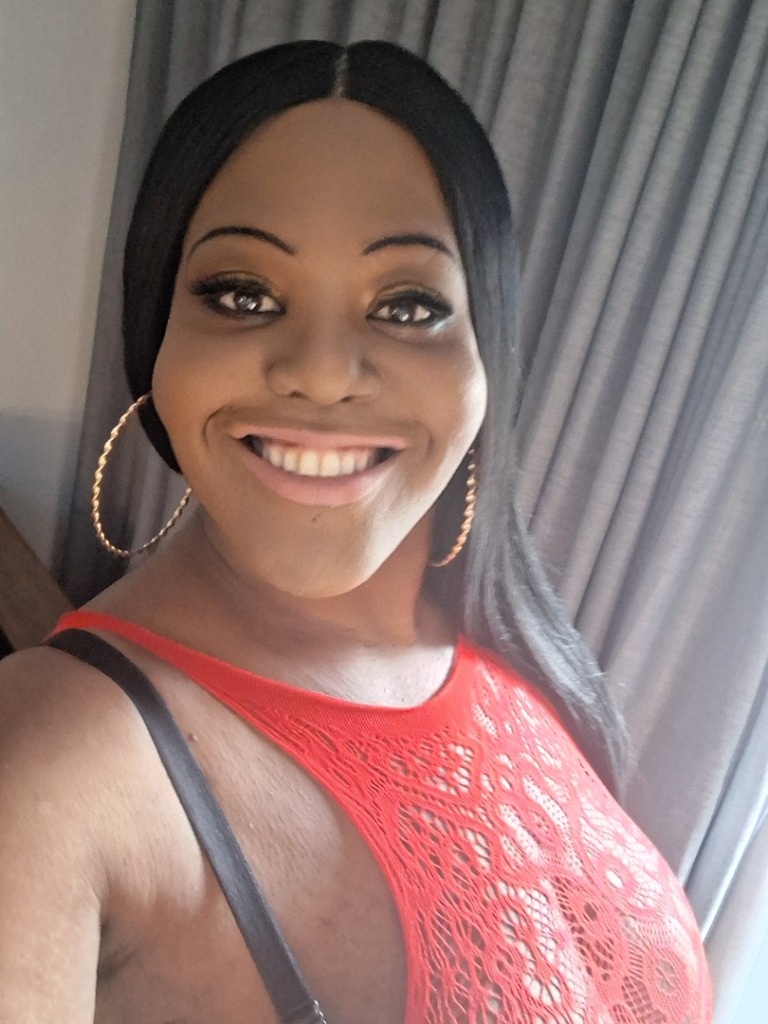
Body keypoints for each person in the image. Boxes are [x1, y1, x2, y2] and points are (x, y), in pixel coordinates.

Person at [0, 40, 711, 1024]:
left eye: (408, 305)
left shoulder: (507, 651)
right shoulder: (54, 758)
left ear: (486, 357)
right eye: (242, 294)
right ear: (153, 338)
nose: (324, 372)